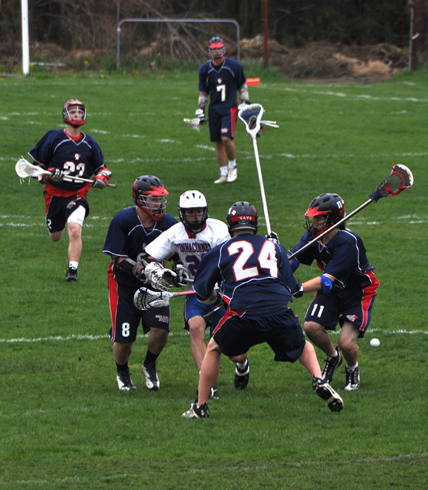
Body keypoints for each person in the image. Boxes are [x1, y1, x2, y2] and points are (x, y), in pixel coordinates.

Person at [183, 201, 344, 419]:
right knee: (303, 346)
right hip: (278, 310)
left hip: (243, 313)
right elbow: (293, 288)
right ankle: (318, 379)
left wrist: (218, 295)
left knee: (213, 348)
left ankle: (200, 407)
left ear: (231, 225)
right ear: (255, 224)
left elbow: (201, 290)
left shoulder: (221, 250)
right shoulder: (273, 247)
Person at [141, 190, 233, 398]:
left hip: (222, 291)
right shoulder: (175, 233)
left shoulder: (218, 231)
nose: (195, 217)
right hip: (196, 292)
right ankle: (206, 382)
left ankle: (242, 364)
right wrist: (165, 273)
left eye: (199, 212)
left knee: (236, 352)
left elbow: (225, 263)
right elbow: (148, 257)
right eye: (190, 213)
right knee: (195, 327)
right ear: (182, 214)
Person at [291, 193, 379, 392]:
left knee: (346, 343)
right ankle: (333, 357)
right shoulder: (314, 235)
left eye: (319, 218)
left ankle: (352, 367)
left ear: (333, 219)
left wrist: (299, 288)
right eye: (314, 217)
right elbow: (293, 259)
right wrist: (275, 256)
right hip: (334, 290)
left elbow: (325, 280)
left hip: (358, 292)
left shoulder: (347, 242)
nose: (314, 222)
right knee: (311, 327)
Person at [103, 175, 177, 391]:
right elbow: (117, 259)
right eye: (153, 199)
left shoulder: (168, 223)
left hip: (155, 286)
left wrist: (178, 271)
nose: (158, 204)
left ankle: (149, 364)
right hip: (124, 284)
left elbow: (179, 253)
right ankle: (122, 371)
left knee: (161, 330)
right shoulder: (123, 220)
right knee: (125, 338)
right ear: (140, 200)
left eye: (160, 199)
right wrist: (142, 270)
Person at [28, 99, 112, 282]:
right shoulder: (54, 138)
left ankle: (72, 271)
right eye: (73, 112)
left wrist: (101, 178)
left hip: (77, 194)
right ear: (66, 115)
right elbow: (35, 170)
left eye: (80, 112)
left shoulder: (89, 142)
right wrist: (49, 175)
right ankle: (57, 223)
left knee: (75, 229)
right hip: (54, 195)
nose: (77, 115)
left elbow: (103, 169)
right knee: (55, 236)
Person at [195, 37, 250, 185]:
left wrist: (245, 102)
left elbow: (242, 86)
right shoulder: (205, 69)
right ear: (209, 51)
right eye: (213, 49)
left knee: (226, 138)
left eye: (218, 48)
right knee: (218, 142)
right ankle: (223, 173)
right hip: (214, 108)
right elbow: (203, 92)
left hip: (229, 107)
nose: (216, 51)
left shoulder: (233, 66)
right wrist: (201, 109)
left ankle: (233, 166)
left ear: (223, 49)